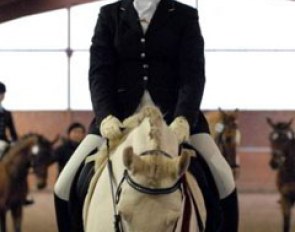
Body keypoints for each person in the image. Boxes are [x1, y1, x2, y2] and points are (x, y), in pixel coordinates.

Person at [54, 0, 238, 231]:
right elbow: (99, 72)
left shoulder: (185, 15)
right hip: (119, 120)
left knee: (224, 180)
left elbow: (193, 74)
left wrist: (184, 118)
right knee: (64, 184)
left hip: (175, 121)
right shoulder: (110, 15)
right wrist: (105, 117)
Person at [0, 82, 18, 158]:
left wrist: (16, 142)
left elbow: (12, 131)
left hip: (4, 142)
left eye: (2, 94)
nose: (1, 95)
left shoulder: (7, 113)